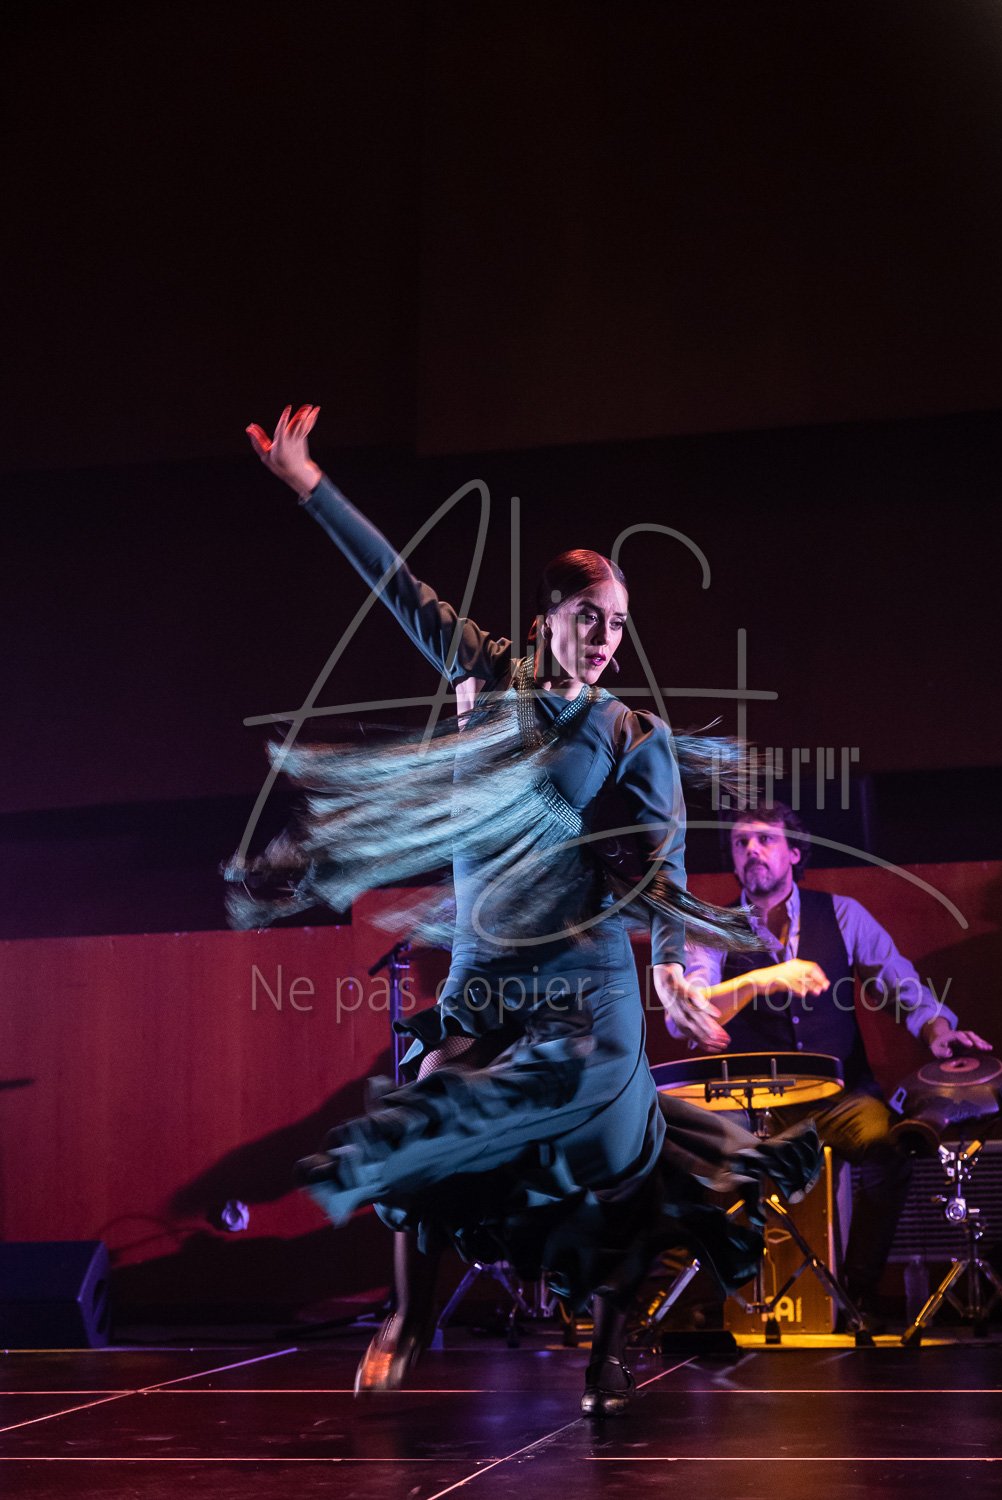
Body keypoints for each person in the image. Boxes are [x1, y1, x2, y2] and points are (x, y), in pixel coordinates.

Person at [237, 406, 821, 1414]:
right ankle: (407, 1318)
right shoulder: (483, 673)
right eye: (590, 616)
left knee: (619, 1163)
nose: (604, 640)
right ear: (549, 613)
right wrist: (308, 485)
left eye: (619, 625)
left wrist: (671, 965)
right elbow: (397, 586)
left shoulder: (633, 734)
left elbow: (663, 861)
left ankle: (613, 1346)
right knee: (426, 1110)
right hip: (489, 975)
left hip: (587, 983)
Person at [681, 801, 991, 1321]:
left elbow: (901, 987)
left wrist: (939, 1031)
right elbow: (692, 1009)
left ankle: (857, 1290)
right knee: (699, 1159)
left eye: (765, 839)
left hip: (835, 1098)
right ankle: (713, 1303)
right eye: (741, 843)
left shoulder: (844, 914)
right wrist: (761, 979)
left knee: (888, 1146)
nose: (752, 850)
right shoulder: (713, 927)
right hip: (749, 1100)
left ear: (794, 853)